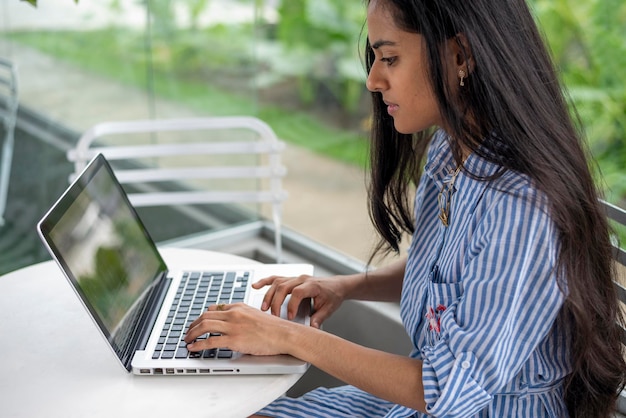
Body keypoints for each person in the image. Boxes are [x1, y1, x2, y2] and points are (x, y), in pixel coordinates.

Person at [184, 0, 626, 416]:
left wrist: (286, 336)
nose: (373, 80)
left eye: (389, 58)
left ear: (460, 56)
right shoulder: (452, 152)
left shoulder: (520, 207)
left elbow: (445, 389)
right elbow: (446, 275)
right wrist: (343, 286)